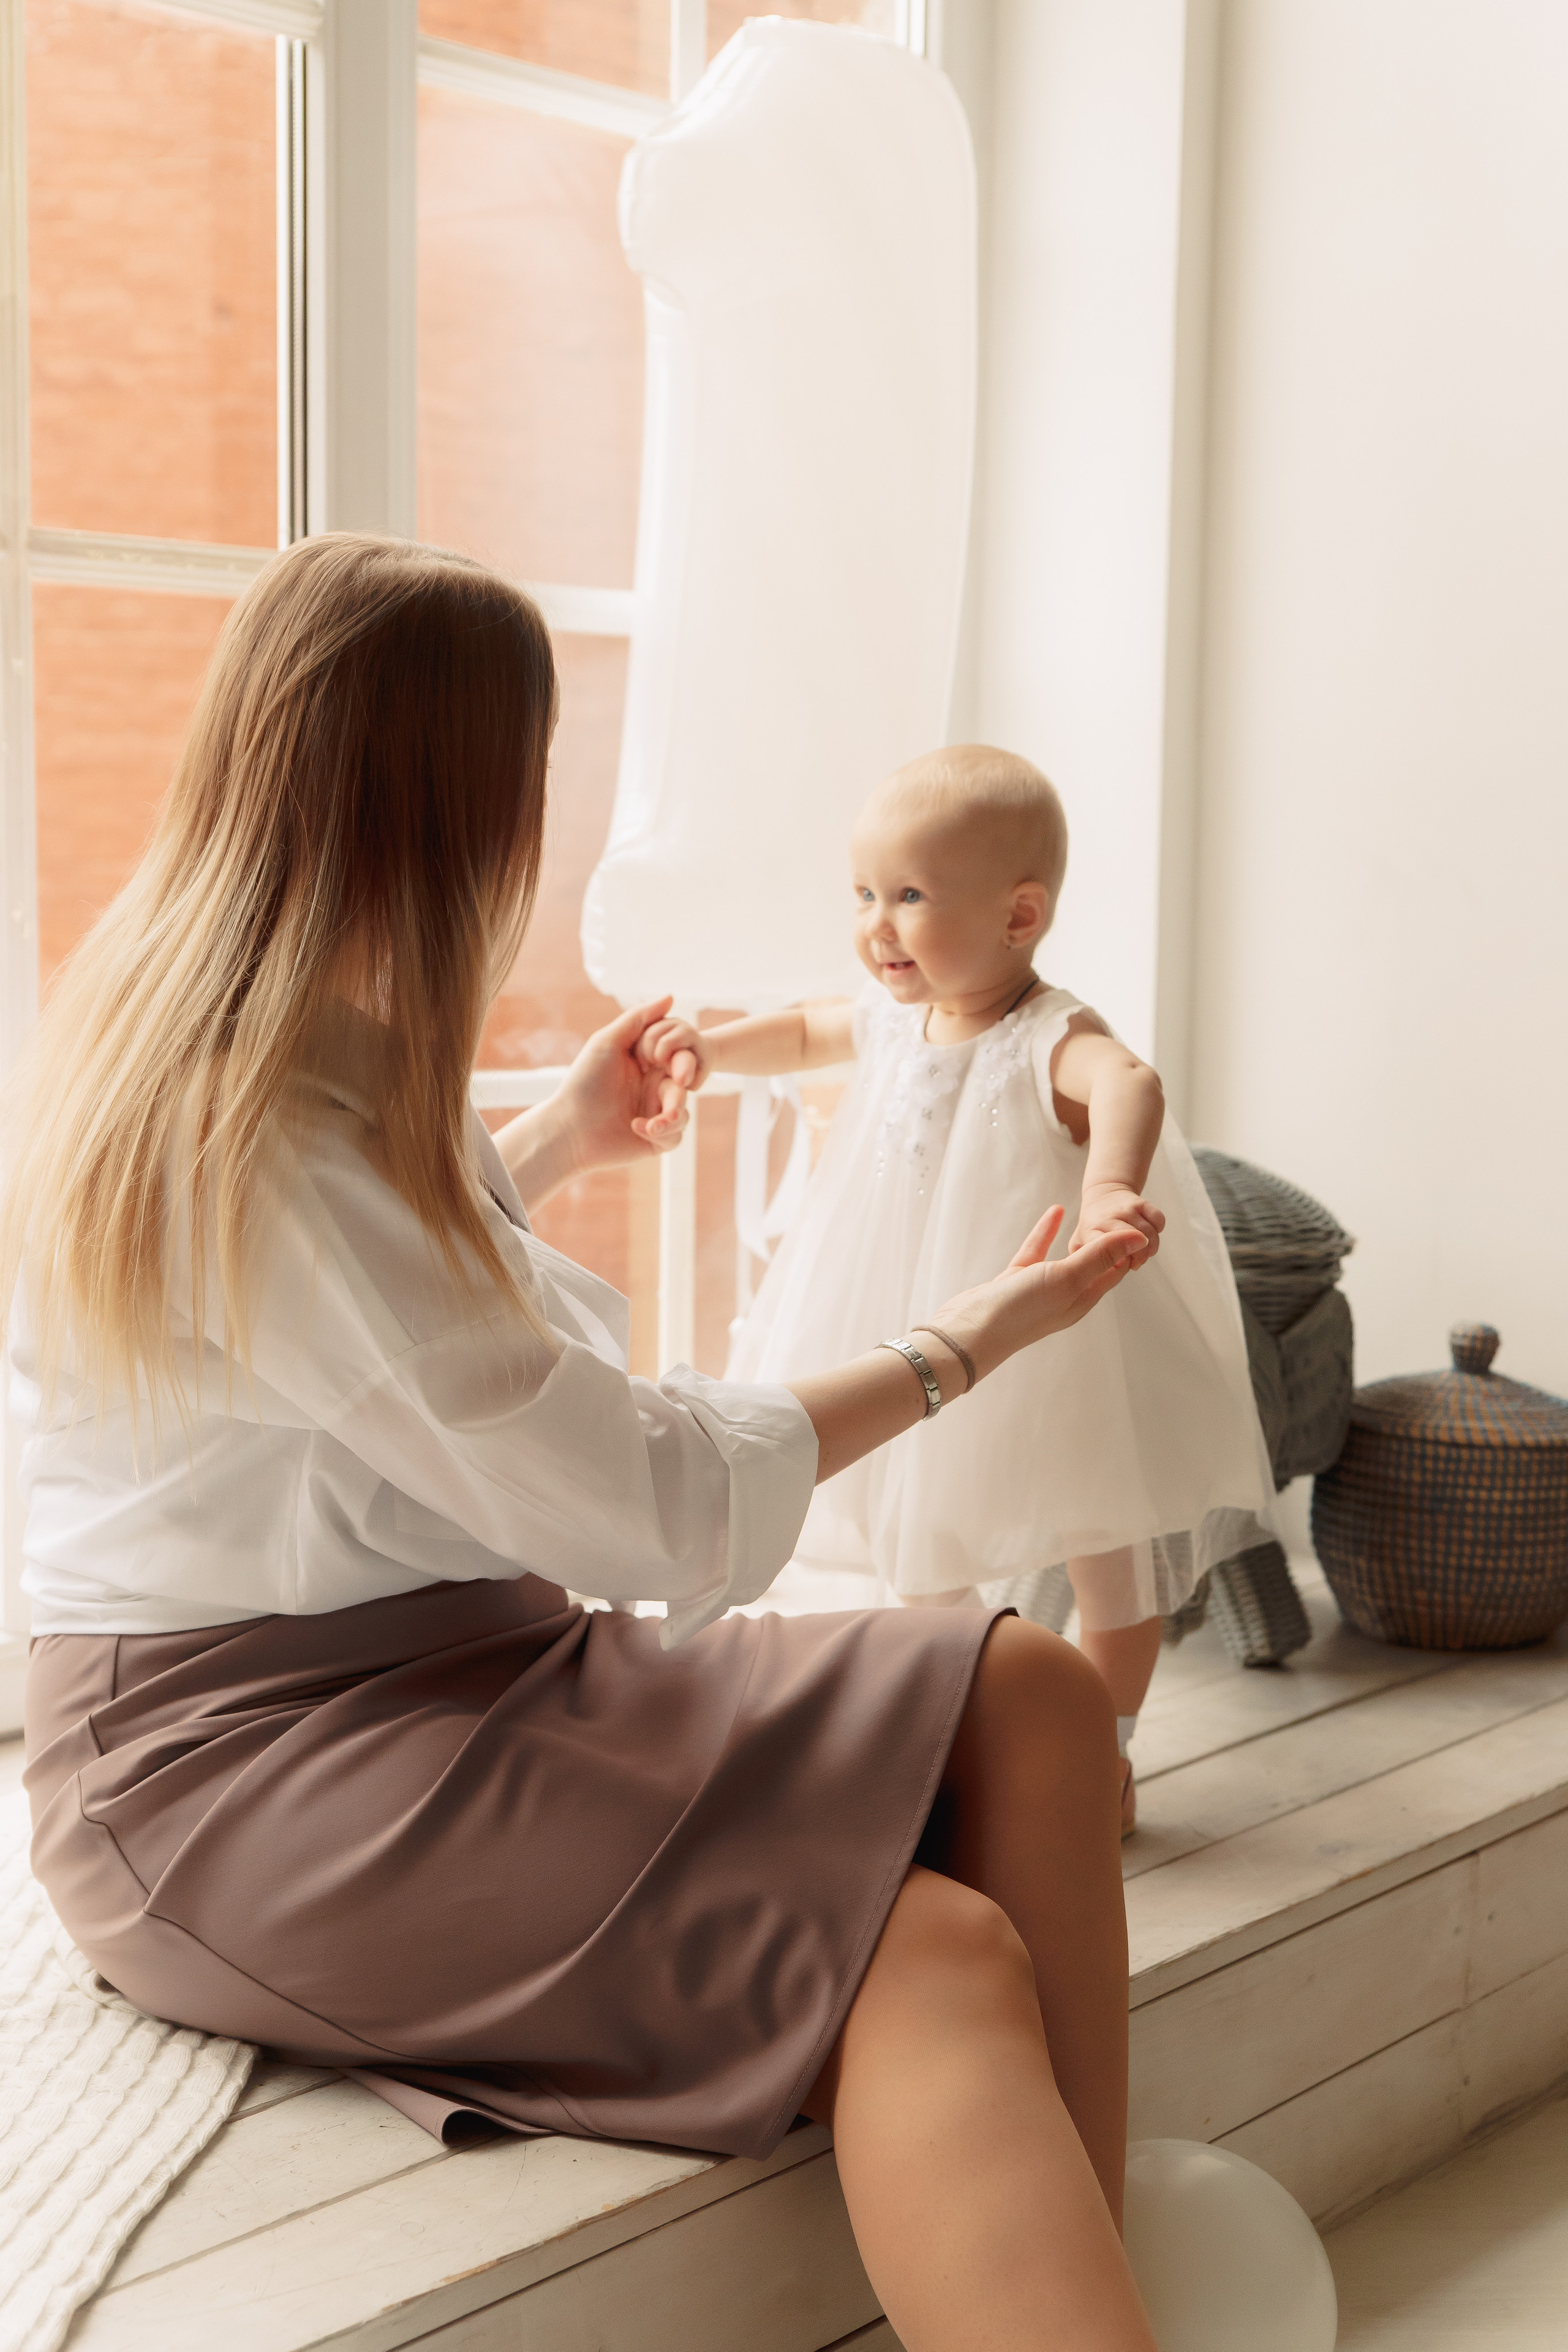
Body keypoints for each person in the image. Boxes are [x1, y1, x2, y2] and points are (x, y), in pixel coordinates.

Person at [4, 537, 1157, 2352]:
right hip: (236, 1764)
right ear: (445, 806)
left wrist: (547, 1141)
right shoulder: (246, 1129)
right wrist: (966, 1341)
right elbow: (637, 1499)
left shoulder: (269, 1043)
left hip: (460, 1662)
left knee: (1036, 1698)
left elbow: (347, 1350)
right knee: (930, 1954)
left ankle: (1092, 2300)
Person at [639, 747, 1275, 1833]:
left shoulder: (1048, 1034)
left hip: (1054, 1342)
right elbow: (806, 1029)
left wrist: (1110, 1185)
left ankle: (1106, 1753)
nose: (876, 925)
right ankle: (992, 1715)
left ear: (1020, 916)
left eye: (910, 897)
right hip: (917, 1324)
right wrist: (709, 1044)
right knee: (918, 1540)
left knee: (1108, 1556)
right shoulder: (897, 1015)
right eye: (864, 895)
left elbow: (1129, 1082)